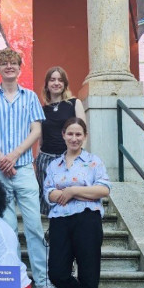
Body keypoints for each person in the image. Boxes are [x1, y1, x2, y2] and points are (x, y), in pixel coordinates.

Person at [0, 48, 61, 288]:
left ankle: (43, 280)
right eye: (4, 64)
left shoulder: (31, 97)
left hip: (23, 168)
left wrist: (12, 156)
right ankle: (13, 280)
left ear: (19, 68)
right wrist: (2, 158)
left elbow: (35, 132)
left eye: (13, 63)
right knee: (6, 228)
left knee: (33, 226)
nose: (9, 67)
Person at [44, 118, 111, 288]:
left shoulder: (93, 162)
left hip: (87, 220)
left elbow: (103, 189)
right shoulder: (54, 165)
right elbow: (49, 193)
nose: (74, 138)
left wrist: (71, 191)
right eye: (70, 134)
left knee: (88, 273)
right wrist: (79, 191)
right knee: (57, 272)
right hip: (60, 221)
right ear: (63, 135)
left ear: (85, 136)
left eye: (78, 134)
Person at [35, 66, 86, 215]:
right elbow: (41, 138)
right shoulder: (42, 109)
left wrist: (81, 159)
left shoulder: (74, 103)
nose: (56, 83)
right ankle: (53, 235)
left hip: (68, 160)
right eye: (52, 80)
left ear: (65, 84)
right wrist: (37, 160)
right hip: (45, 160)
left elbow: (83, 132)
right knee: (49, 204)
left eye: (60, 80)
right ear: (47, 84)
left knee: (68, 202)